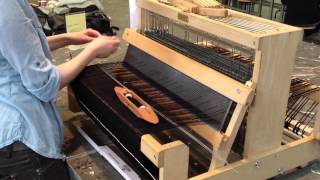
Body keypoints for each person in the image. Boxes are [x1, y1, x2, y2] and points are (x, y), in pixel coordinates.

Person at [0, 1, 120, 179]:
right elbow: (45, 84)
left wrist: (67, 38)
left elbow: (18, 49)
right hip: (21, 142)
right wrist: (92, 51)